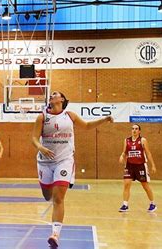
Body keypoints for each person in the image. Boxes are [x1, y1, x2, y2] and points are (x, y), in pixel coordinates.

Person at [31, 91, 113, 248]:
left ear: (62, 99)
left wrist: (104, 119)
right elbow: (34, 138)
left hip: (64, 160)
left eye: (55, 94)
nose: (52, 95)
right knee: (47, 196)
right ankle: (47, 192)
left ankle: (55, 234)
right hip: (44, 162)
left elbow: (87, 126)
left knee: (58, 198)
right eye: (51, 94)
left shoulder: (70, 115)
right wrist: (40, 147)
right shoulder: (42, 117)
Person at [118, 124, 157, 213]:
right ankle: (125, 205)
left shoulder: (143, 140)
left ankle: (152, 203)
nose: (134, 130)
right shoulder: (126, 140)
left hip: (140, 166)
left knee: (145, 186)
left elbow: (148, 153)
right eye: (132, 129)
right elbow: (124, 152)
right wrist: (121, 156)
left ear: (139, 131)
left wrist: (153, 165)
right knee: (126, 184)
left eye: (136, 129)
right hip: (129, 165)